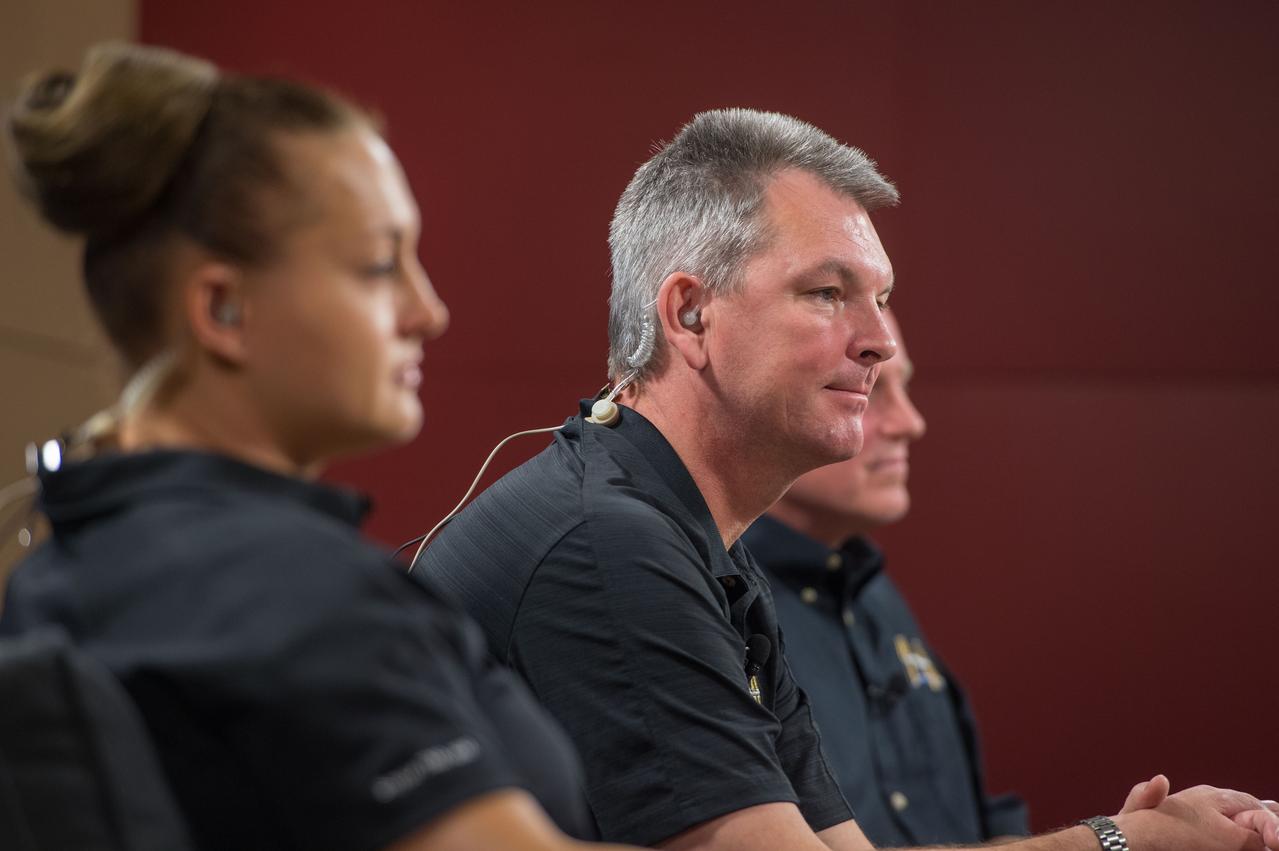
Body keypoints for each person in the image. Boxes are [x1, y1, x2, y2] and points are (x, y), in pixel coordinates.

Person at [419, 108, 1279, 851]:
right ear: (688, 314)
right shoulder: (608, 543)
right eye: (828, 292)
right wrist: (1119, 840)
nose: (879, 341)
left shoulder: (695, 541)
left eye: (879, 297)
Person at [0, 42, 642, 851]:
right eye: (380, 266)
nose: (428, 309)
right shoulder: (300, 592)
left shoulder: (58, 573)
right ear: (222, 309)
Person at [741, 311, 1028, 846]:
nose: (910, 422)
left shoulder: (869, 589)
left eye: (903, 385)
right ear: (752, 401)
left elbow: (972, 820)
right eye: (866, 388)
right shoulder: (717, 604)